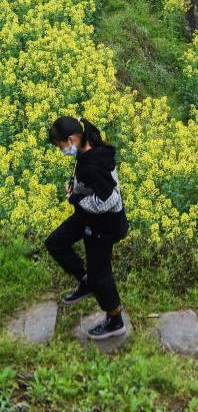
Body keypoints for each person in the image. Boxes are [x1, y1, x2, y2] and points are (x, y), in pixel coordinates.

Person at [45, 116, 129, 340]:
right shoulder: (86, 145)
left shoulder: (94, 164)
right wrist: (76, 187)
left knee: (101, 275)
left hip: (105, 224)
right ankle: (85, 281)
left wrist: (76, 199)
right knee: (55, 242)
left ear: (72, 139)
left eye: (61, 147)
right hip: (87, 216)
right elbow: (89, 182)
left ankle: (115, 320)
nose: (62, 151)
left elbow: (109, 200)